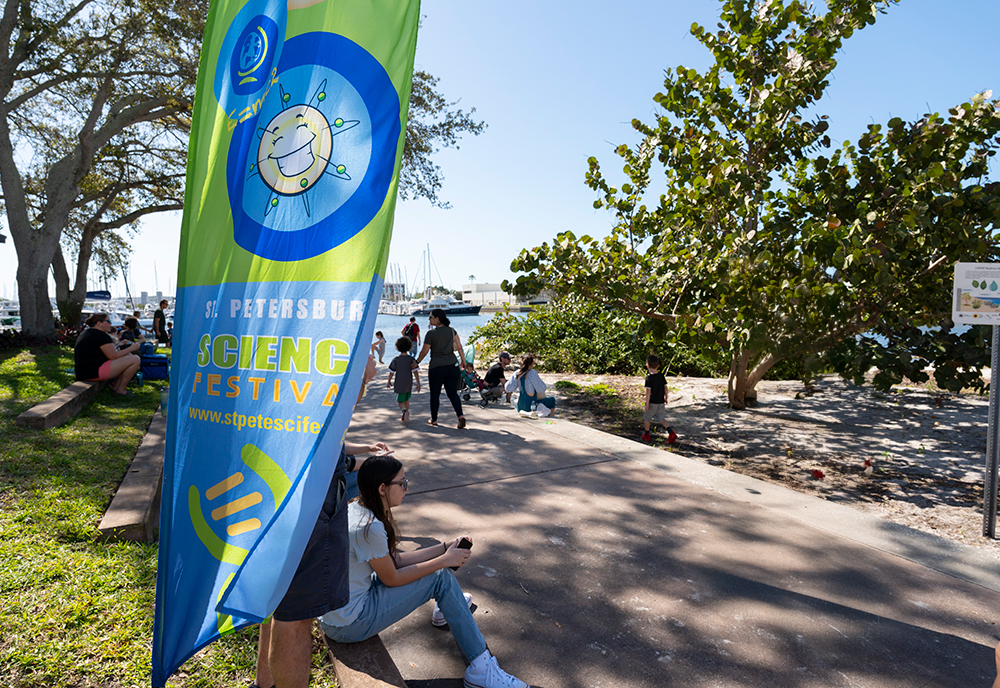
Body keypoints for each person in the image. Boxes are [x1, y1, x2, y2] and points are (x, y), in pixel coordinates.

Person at [318, 455, 528, 688]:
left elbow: (394, 561)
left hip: (340, 610)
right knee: (441, 577)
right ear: (382, 488)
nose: (407, 488)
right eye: (402, 482)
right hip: (349, 624)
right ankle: (481, 670)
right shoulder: (368, 528)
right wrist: (443, 561)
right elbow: (393, 578)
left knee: (440, 575)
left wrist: (444, 548)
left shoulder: (359, 507)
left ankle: (448, 606)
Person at [252, 355, 388, 688]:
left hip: (269, 480)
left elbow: (320, 433)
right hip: (307, 495)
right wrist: (362, 376)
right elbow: (330, 412)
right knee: (296, 618)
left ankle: (263, 683)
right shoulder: (323, 349)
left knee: (276, 600)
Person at [415, 309, 466, 429]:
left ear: (437, 319)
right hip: (452, 366)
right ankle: (460, 416)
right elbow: (459, 347)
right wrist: (463, 361)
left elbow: (424, 351)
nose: (429, 319)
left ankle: (434, 419)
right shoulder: (452, 331)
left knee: (435, 394)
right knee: (453, 393)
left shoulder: (431, 334)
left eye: (431, 317)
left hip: (437, 367)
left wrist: (417, 362)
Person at [74, 313, 142, 396]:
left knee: (129, 356)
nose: (111, 323)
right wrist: (131, 348)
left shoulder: (88, 333)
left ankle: (117, 387)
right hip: (93, 372)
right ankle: (121, 390)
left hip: (85, 371)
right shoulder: (101, 335)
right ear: (99, 323)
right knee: (135, 359)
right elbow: (113, 356)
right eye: (108, 321)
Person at [641, 354, 676, 444]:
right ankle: (671, 432)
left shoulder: (649, 378)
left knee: (647, 418)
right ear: (658, 366)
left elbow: (648, 392)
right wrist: (666, 397)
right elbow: (666, 388)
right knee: (661, 418)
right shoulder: (661, 376)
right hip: (660, 402)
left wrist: (647, 403)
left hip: (652, 402)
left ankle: (647, 434)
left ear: (647, 366)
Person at [387, 336, 421, 425]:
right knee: (406, 399)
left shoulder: (396, 359)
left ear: (397, 347)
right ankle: (406, 413)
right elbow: (415, 372)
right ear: (409, 347)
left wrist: (389, 381)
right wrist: (418, 383)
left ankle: (404, 412)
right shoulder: (411, 359)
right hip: (408, 383)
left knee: (400, 401)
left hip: (399, 383)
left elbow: (391, 371)